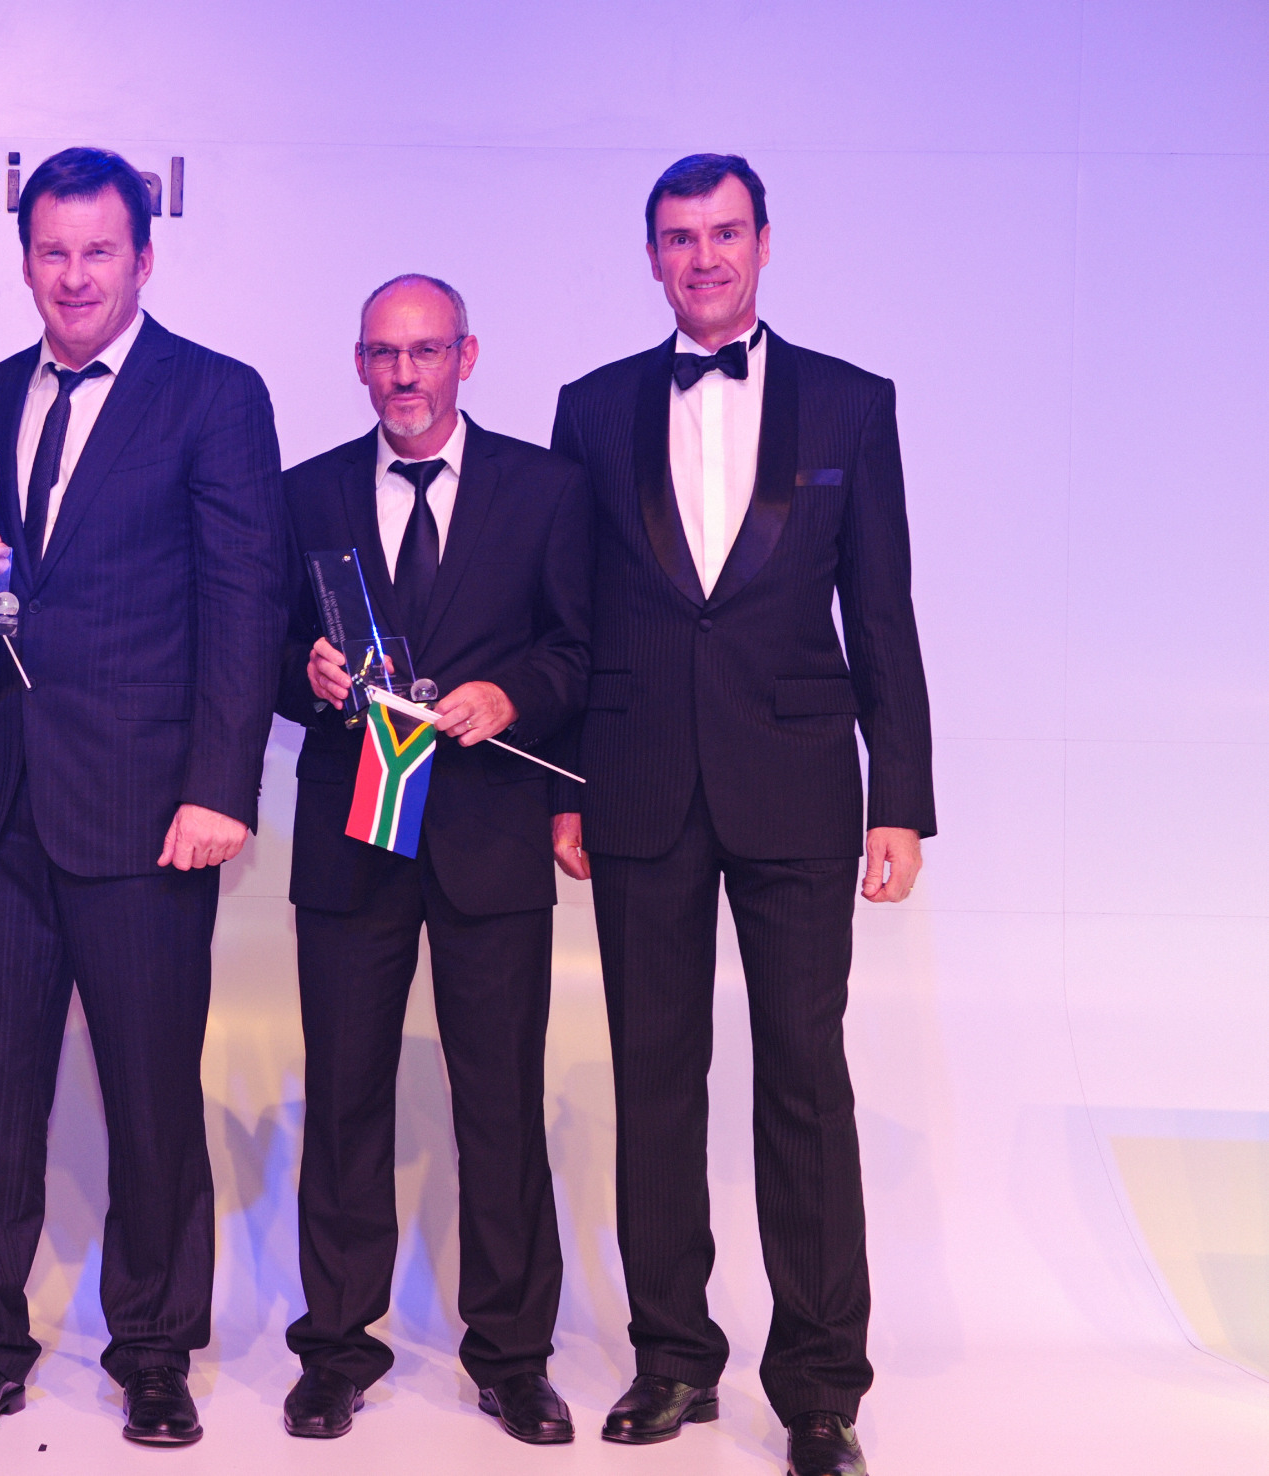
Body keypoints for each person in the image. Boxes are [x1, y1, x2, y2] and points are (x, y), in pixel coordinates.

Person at [548, 155, 935, 1476]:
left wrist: (900, 798)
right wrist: (566, 788)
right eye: (677, 237)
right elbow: (569, 615)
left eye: (723, 233)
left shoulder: (849, 402)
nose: (702, 257)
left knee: (803, 1084)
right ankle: (671, 1358)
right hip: (637, 779)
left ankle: (819, 1390)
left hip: (799, 782)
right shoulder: (591, 407)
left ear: (763, 242)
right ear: (651, 255)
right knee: (653, 1079)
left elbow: (879, 608)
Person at [0, 146, 288, 1448]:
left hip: (146, 812)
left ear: (142, 258)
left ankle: (153, 1352)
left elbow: (244, 602)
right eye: (52, 252)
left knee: (149, 1096)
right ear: (24, 261)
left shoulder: (215, 394)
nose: (73, 276)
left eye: (98, 252)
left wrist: (220, 786)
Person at [275, 275, 589, 1443]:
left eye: (424, 352)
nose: (402, 375)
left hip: (487, 835)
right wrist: (303, 676)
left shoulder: (546, 489)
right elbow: (262, 649)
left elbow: (582, 652)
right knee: (343, 1098)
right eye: (381, 354)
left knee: (499, 1104)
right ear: (359, 364)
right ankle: (335, 1349)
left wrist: (514, 695)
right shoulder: (304, 490)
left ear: (467, 355)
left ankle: (512, 1357)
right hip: (351, 836)